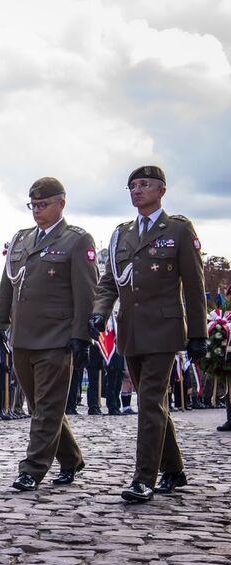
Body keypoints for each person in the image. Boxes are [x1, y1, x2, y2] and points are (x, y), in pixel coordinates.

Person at [89, 165, 206, 502]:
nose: (137, 191)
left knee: (150, 402)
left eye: (144, 185)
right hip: (130, 331)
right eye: (132, 186)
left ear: (161, 191)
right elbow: (109, 281)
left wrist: (197, 334)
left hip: (164, 329)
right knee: (152, 404)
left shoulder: (178, 230)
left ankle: (143, 478)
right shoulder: (121, 234)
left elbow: (195, 286)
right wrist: (98, 314)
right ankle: (174, 469)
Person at [0, 177, 97, 491]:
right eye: (33, 205)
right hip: (23, 337)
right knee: (39, 407)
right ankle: (70, 458)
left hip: (56, 336)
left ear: (60, 203)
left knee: (48, 406)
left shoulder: (76, 240)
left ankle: (32, 468)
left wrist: (81, 335)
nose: (37, 211)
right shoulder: (21, 239)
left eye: (43, 204)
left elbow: (86, 290)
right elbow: (7, 284)